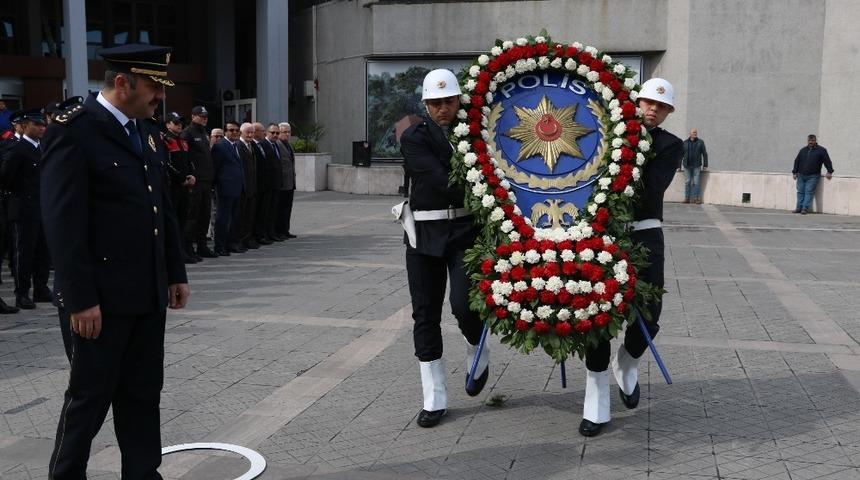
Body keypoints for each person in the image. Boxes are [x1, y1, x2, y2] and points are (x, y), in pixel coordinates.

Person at [41, 43, 189, 479]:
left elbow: (160, 206)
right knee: (89, 399)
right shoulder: (74, 130)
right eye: (153, 87)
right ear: (122, 82)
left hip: (145, 292)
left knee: (143, 394)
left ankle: (143, 474)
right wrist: (81, 299)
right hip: (98, 302)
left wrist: (174, 271)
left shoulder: (143, 129)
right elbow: (63, 225)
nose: (159, 97)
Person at [579, 78, 683, 437]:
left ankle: (627, 362)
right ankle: (595, 400)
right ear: (635, 103)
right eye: (647, 103)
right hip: (602, 235)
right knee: (596, 315)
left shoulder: (670, 146)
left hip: (645, 232)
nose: (652, 110)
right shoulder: (607, 137)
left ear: (668, 112)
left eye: (660, 106)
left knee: (650, 315)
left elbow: (650, 188)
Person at [401, 69, 490, 428]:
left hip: (466, 231)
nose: (442, 108)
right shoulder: (413, 136)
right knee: (425, 314)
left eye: (448, 101)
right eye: (435, 103)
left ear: (458, 102)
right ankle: (434, 396)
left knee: (466, 306)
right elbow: (439, 179)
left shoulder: (477, 133)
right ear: (425, 104)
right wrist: (489, 190)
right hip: (424, 232)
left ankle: (476, 347)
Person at [0, 108, 50, 310]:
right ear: (24, 126)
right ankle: (22, 293)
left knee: (42, 251)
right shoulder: (18, 149)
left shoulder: (43, 147)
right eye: (36, 125)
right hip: (23, 208)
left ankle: (40, 288)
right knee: (24, 252)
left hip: (41, 206)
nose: (41, 128)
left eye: (42, 124)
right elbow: (5, 178)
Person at [181, 106, 217, 258]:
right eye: (201, 116)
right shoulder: (187, 133)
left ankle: (202, 246)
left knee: (205, 215)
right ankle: (188, 247)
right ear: (193, 116)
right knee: (192, 216)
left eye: (206, 116)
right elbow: (185, 157)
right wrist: (190, 174)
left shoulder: (204, 133)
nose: (204, 119)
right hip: (195, 182)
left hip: (206, 180)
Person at [162, 111, 197, 263]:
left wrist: (192, 175)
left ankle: (184, 250)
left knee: (184, 220)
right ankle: (174, 254)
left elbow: (189, 161)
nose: (179, 125)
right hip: (173, 186)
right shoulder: (164, 140)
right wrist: (181, 178)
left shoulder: (183, 141)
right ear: (168, 124)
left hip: (185, 186)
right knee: (173, 221)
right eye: (176, 122)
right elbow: (166, 164)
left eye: (180, 122)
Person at [211, 121, 244, 256]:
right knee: (223, 219)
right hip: (225, 188)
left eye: (237, 130)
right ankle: (220, 246)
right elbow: (215, 168)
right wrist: (214, 186)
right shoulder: (220, 146)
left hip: (236, 187)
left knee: (234, 218)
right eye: (231, 130)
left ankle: (231, 243)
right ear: (225, 132)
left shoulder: (236, 145)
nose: (235, 132)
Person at [792, 134, 833, 215]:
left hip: (813, 175)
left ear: (815, 141)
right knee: (800, 191)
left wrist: (829, 171)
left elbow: (827, 161)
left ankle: (804, 208)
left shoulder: (821, 150)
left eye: (812, 140)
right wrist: (794, 172)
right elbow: (797, 161)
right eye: (809, 140)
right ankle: (798, 208)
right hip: (801, 175)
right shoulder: (803, 150)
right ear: (807, 141)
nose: (811, 142)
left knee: (808, 191)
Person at [275, 122, 297, 239]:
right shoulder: (277, 145)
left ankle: (285, 230)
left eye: (289, 132)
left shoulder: (289, 145)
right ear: (279, 133)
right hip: (282, 184)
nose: (287, 134)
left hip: (290, 183)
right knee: (280, 209)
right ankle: (278, 231)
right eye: (284, 132)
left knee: (287, 209)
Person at [680, 128, 708, 204]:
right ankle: (687, 198)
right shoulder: (685, 142)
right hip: (687, 165)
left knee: (696, 182)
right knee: (687, 182)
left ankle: (696, 198)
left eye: (696, 132)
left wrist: (705, 165)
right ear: (690, 134)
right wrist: (678, 166)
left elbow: (704, 154)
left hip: (697, 165)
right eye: (693, 132)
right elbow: (681, 155)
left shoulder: (700, 142)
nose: (695, 133)